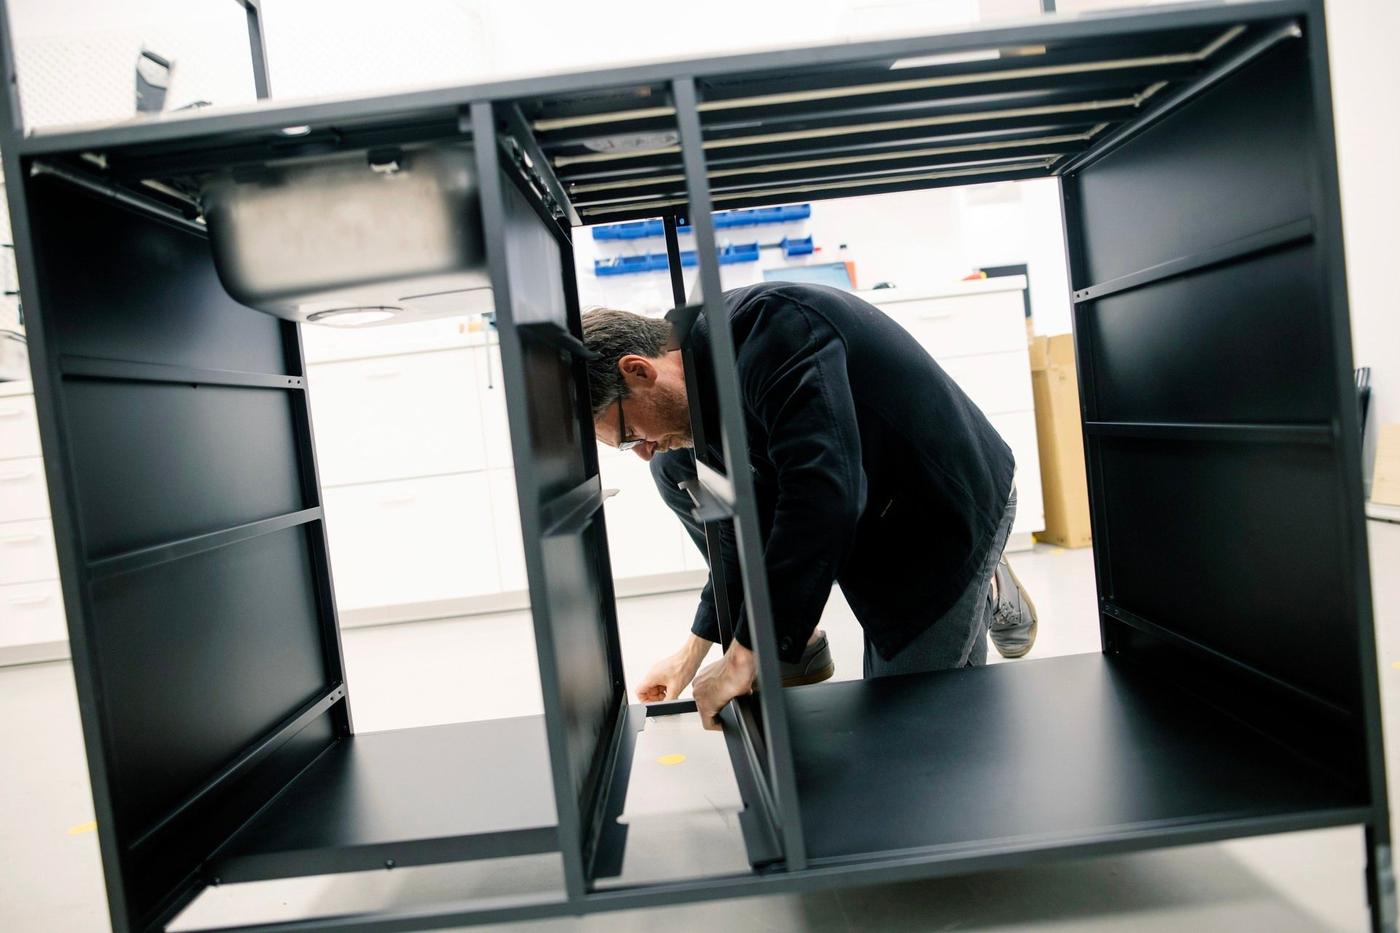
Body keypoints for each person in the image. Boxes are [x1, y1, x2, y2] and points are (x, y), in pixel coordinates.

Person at [583, 281, 1036, 730]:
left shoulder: (774, 329)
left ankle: (985, 580)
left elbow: (822, 494)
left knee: (911, 733)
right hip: (863, 506)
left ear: (638, 370)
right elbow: (741, 531)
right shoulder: (694, 399)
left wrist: (744, 657)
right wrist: (693, 652)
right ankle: (798, 640)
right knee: (673, 468)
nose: (642, 451)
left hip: (936, 511)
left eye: (630, 437)